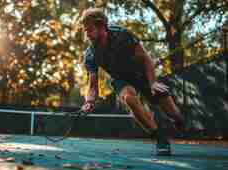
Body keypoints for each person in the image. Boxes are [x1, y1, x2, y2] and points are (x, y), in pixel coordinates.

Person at [79, 8, 185, 156]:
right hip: (121, 80)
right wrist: (89, 101)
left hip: (142, 74)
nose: (87, 35)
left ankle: (178, 120)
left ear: (102, 26)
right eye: (85, 31)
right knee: (129, 98)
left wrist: (153, 82)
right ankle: (160, 137)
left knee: (173, 112)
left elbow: (145, 58)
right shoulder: (90, 54)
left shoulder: (122, 35)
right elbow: (92, 85)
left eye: (89, 30)